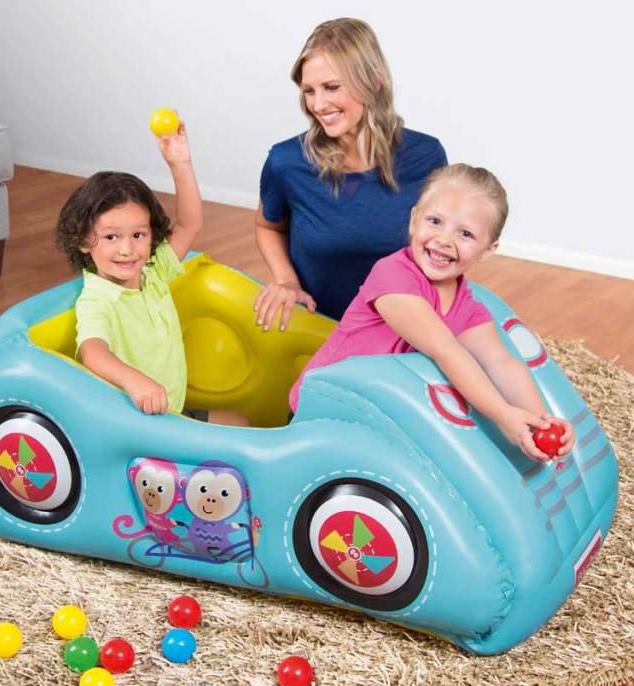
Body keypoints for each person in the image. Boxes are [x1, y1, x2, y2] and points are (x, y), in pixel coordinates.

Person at [289, 164, 574, 462]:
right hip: (325, 413)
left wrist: (540, 421)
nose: (444, 240)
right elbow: (446, 351)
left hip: (385, 423)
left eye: (465, 233)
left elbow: (499, 362)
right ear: (414, 220)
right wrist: (503, 415)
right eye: (435, 221)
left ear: (488, 250)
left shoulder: (466, 304)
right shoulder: (392, 277)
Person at [254, 17, 447, 330]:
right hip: (321, 328)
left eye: (331, 87)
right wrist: (286, 281)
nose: (318, 104)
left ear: (373, 79)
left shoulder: (427, 156)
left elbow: (444, 241)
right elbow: (268, 226)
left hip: (406, 328)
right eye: (309, 91)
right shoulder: (286, 161)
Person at [56, 125, 247, 426]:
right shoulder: (97, 298)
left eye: (138, 234)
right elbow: (93, 351)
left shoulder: (153, 272)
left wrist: (180, 164)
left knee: (240, 423)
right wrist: (135, 382)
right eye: (110, 237)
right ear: (82, 240)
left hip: (169, 411)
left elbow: (189, 224)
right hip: (135, 422)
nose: (127, 249)